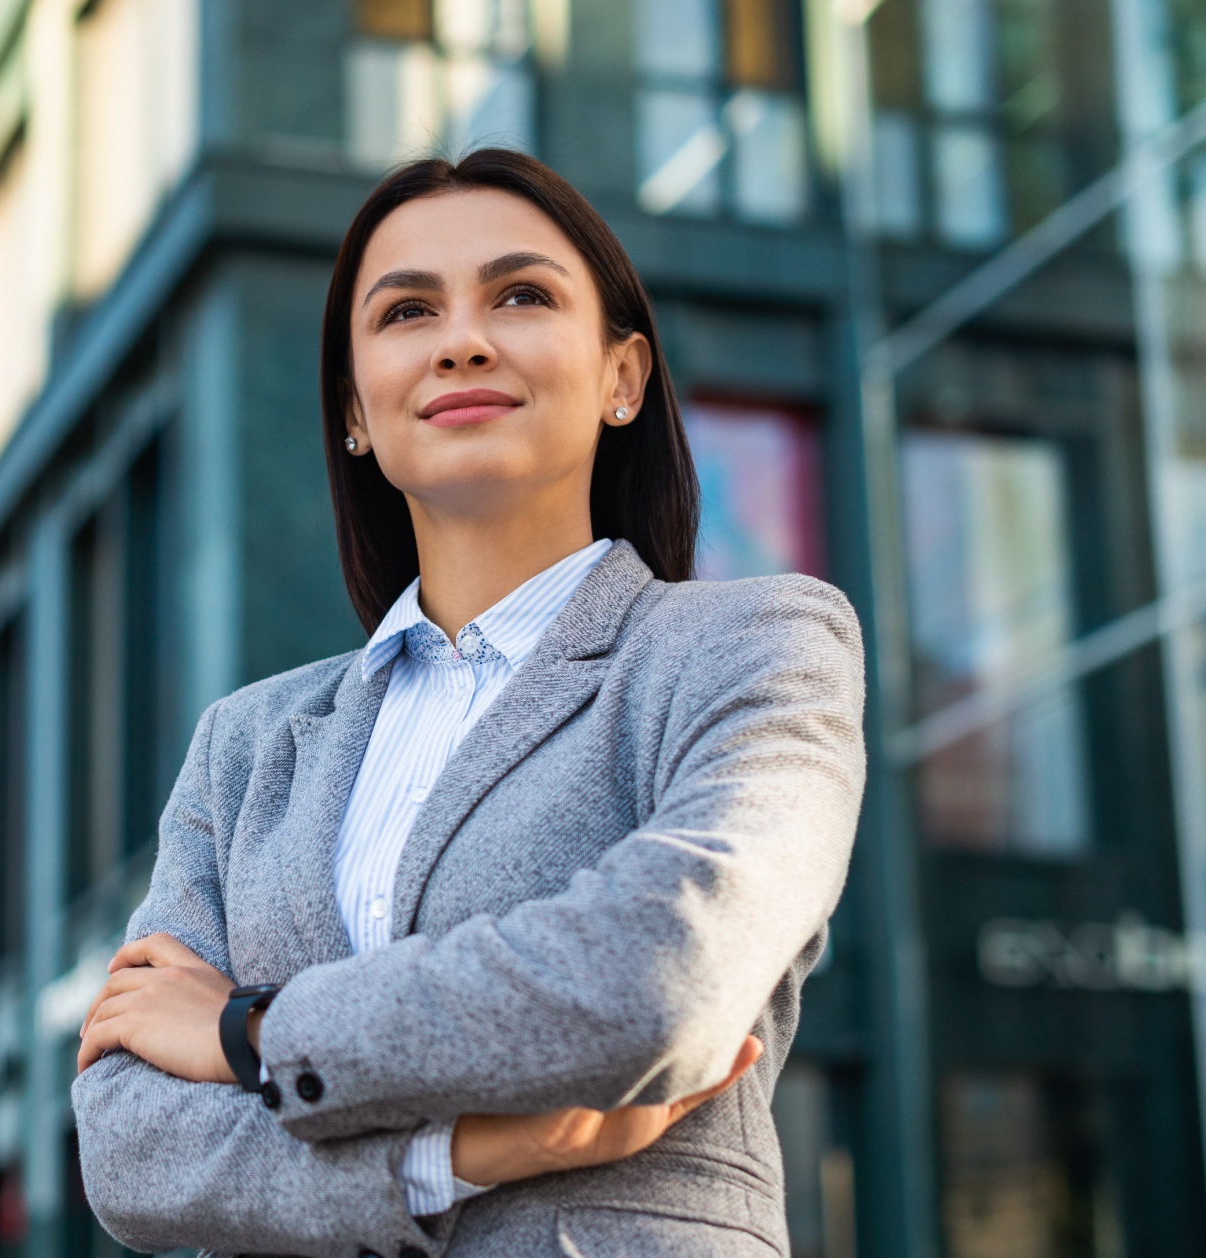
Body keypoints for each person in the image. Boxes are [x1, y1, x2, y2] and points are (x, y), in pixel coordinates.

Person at [68, 148, 865, 1258]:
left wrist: (249, 1029)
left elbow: (662, 970)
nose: (461, 340)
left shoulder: (752, 644)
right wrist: (454, 1156)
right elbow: (129, 1144)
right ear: (356, 408)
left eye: (522, 295)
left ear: (623, 376)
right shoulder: (245, 747)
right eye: (406, 312)